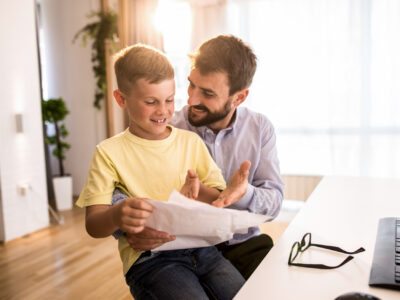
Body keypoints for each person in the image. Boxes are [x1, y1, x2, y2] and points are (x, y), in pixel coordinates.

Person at [76, 44, 251, 300]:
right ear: (121, 99)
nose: (163, 110)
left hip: (204, 250)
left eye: (169, 100)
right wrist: (118, 214)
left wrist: (199, 192)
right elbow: (94, 225)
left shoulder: (189, 142)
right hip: (152, 261)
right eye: (151, 102)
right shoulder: (108, 152)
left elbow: (215, 197)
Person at [116, 35, 285, 280]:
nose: (192, 99)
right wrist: (126, 228)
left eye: (207, 93)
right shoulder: (168, 126)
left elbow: (275, 203)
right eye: (191, 85)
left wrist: (244, 193)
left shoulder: (260, 128)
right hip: (184, 249)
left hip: (242, 243)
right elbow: (120, 181)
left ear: (239, 97)